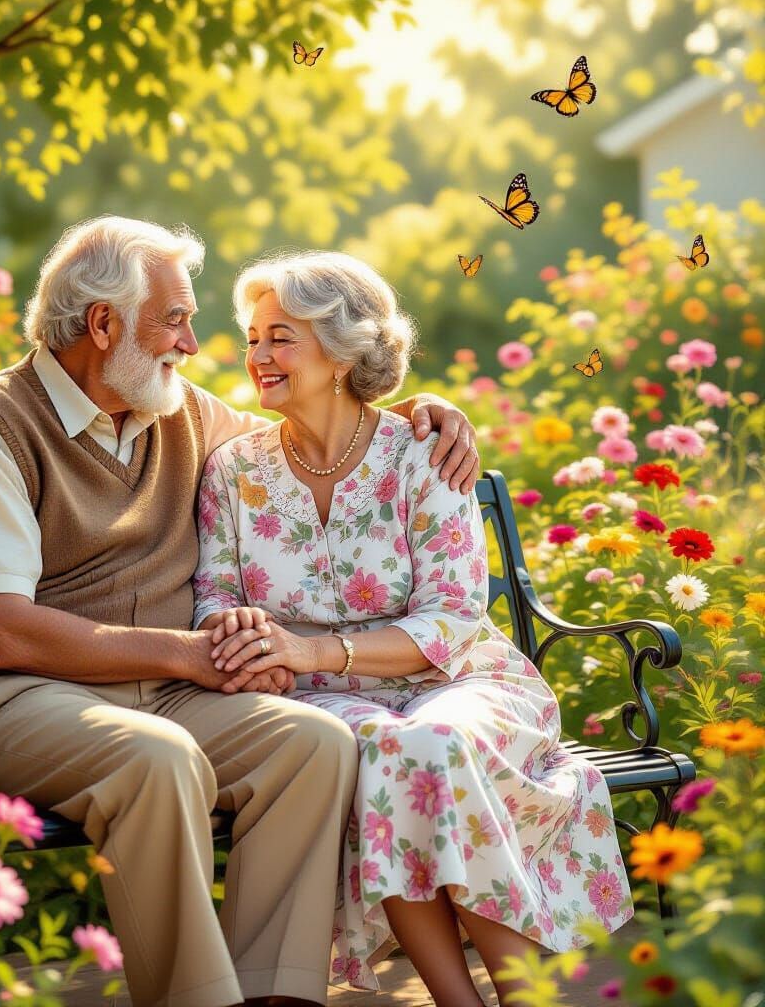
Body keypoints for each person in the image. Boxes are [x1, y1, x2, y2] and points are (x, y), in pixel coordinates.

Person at [0, 216, 482, 1007]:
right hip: (6, 698)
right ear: (103, 325)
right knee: (157, 759)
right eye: (173, 319)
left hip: (159, 694)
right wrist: (187, 654)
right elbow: (5, 632)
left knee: (313, 745)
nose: (193, 343)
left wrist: (421, 409)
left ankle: (275, 995)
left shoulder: (176, 410)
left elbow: (322, 424)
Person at [193, 251, 634, 1007]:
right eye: (253, 338)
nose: (257, 355)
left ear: (341, 352)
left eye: (280, 338)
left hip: (457, 677)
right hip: (321, 696)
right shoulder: (234, 468)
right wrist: (243, 637)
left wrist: (313, 646)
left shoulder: (424, 456)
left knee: (428, 742)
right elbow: (215, 596)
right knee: (391, 749)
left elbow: (455, 614)